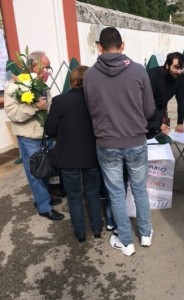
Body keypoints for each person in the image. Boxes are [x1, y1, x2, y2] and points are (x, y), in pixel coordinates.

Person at [83, 27, 155, 256]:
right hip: (135, 140)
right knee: (140, 190)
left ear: (99, 47)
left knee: (115, 193)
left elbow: (90, 109)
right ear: (122, 45)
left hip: (106, 142)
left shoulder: (90, 75)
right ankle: (145, 233)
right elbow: (149, 109)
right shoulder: (138, 71)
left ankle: (125, 240)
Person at [44, 66, 103, 242]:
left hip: (68, 156)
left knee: (74, 197)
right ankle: (97, 229)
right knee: (92, 194)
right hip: (92, 155)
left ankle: (80, 233)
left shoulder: (60, 101)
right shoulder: (97, 100)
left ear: (72, 80)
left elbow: (50, 129)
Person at [4, 51, 64, 221]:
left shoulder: (42, 86)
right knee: (36, 172)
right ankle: (44, 207)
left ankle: (44, 198)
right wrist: (35, 107)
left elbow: (50, 108)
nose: (48, 72)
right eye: (46, 67)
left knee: (45, 169)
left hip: (46, 136)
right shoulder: (15, 87)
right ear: (33, 66)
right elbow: (13, 114)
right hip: (30, 138)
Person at [147, 52, 184, 134]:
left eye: (181, 68)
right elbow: (147, 103)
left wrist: (180, 123)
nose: (179, 71)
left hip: (161, 109)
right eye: (176, 67)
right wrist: (158, 124)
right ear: (167, 65)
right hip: (146, 112)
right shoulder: (153, 76)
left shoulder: (180, 77)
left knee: (164, 137)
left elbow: (181, 101)